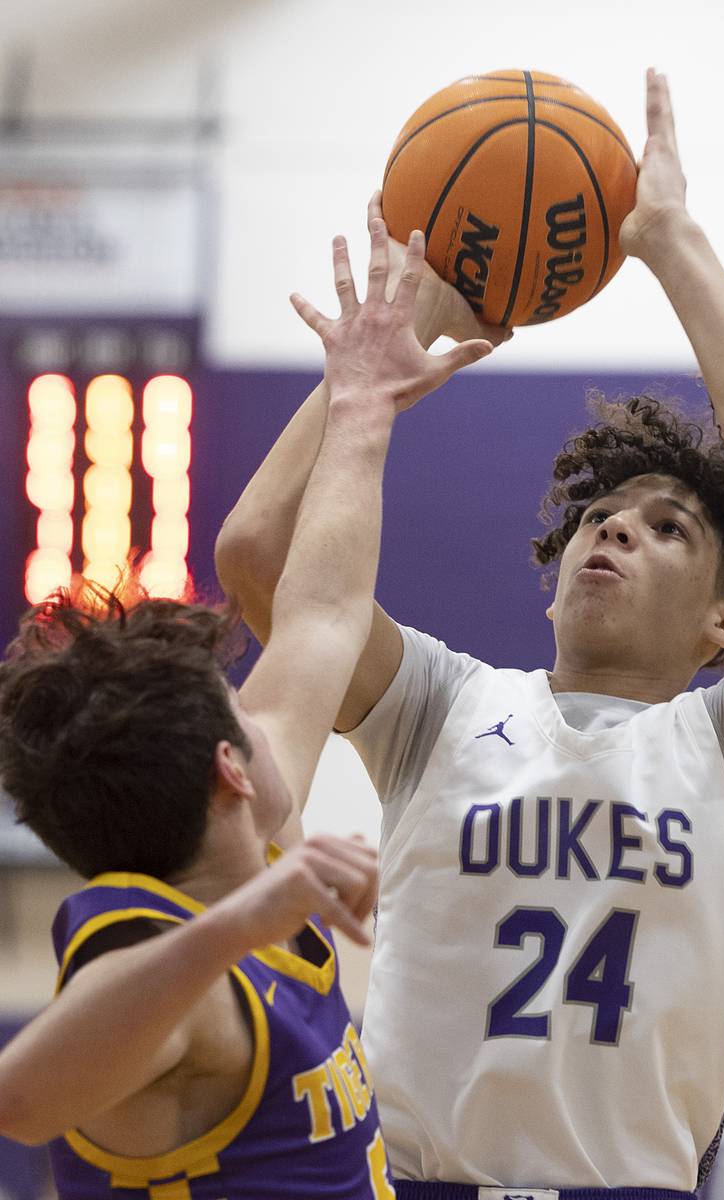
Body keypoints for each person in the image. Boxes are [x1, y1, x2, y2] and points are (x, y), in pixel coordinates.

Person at [214, 69, 724, 1199]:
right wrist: (391, 348)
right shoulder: (444, 704)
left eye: (663, 528)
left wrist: (669, 242)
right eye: (596, 517)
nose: (611, 534)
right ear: (547, 584)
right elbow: (258, 562)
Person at [0, 224, 493, 1199]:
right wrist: (240, 924)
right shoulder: (149, 949)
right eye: (241, 709)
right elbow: (18, 1100)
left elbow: (321, 612)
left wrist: (359, 404)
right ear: (230, 769)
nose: (267, 712)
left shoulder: (253, 841)